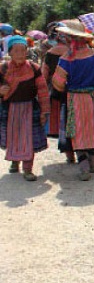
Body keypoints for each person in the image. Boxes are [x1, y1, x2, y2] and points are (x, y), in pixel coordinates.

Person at [52, 22, 94, 180]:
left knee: (77, 132)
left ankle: (84, 168)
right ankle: (92, 163)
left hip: (74, 99)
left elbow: (58, 82)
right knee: (93, 129)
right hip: (92, 98)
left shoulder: (66, 59)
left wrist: (68, 87)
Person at [0, 36, 50, 181]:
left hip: (29, 108)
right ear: (10, 52)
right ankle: (15, 162)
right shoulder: (3, 68)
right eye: (16, 51)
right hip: (9, 109)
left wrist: (44, 110)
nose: (20, 54)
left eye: (23, 50)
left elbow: (42, 89)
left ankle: (28, 169)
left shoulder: (34, 68)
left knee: (28, 138)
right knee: (13, 137)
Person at [41, 22, 74, 166]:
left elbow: (44, 75)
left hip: (56, 92)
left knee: (62, 124)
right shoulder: (73, 52)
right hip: (73, 94)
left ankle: (69, 155)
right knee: (72, 123)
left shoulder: (50, 53)